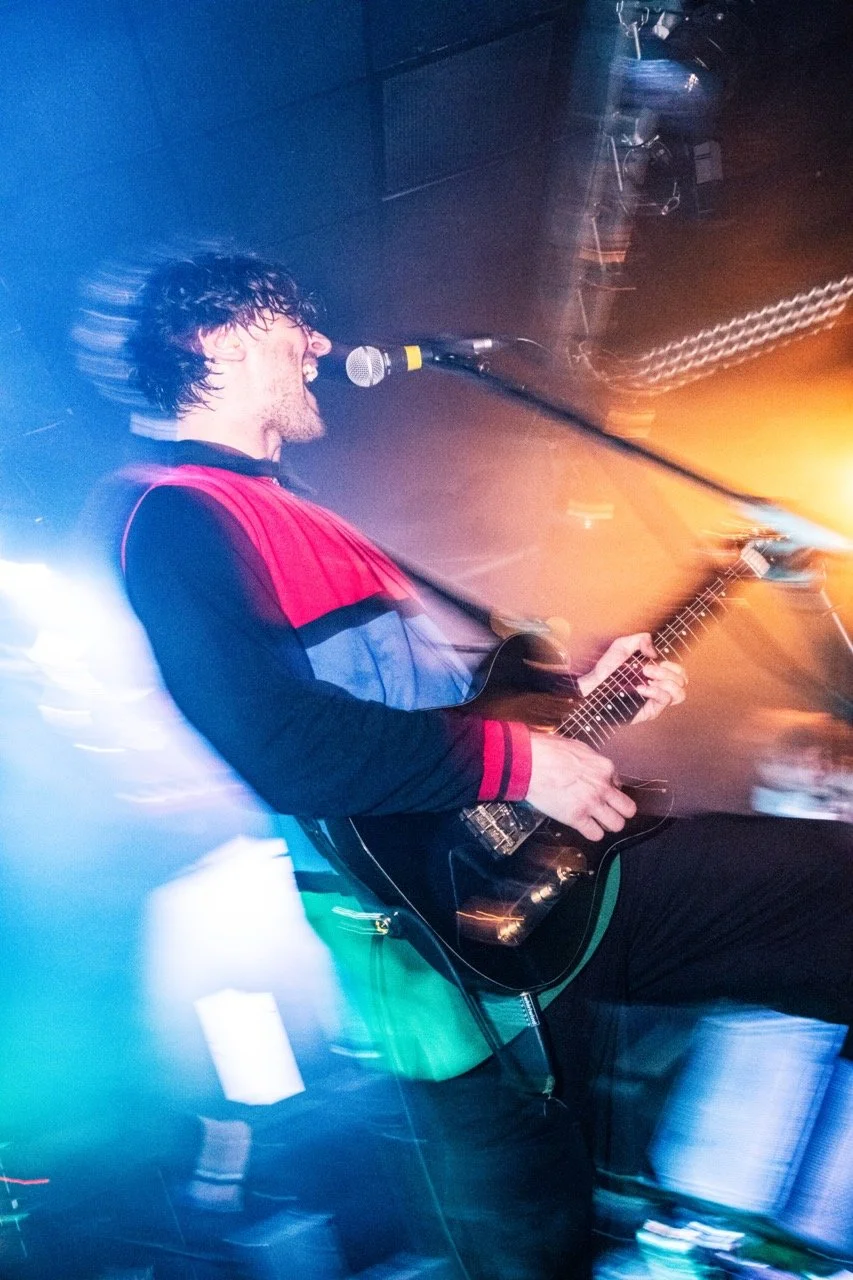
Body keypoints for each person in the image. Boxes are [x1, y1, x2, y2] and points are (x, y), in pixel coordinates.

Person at [119, 252, 852, 1279]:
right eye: (295, 327)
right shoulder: (174, 515)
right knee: (530, 1242)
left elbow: (453, 701)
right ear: (222, 341)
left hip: (546, 874)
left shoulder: (299, 510)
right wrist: (518, 757)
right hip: (432, 935)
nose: (320, 345)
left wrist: (587, 692)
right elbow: (281, 742)